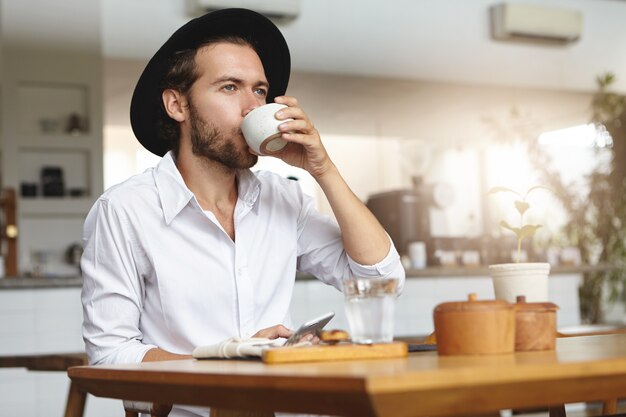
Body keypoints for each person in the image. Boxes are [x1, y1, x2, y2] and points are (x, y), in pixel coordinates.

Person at [81, 8, 405, 416]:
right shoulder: (124, 210)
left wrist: (323, 169)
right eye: (230, 87)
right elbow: (109, 356)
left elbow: (382, 279)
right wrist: (227, 361)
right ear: (177, 105)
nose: (253, 107)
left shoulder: (284, 198)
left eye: (259, 90)